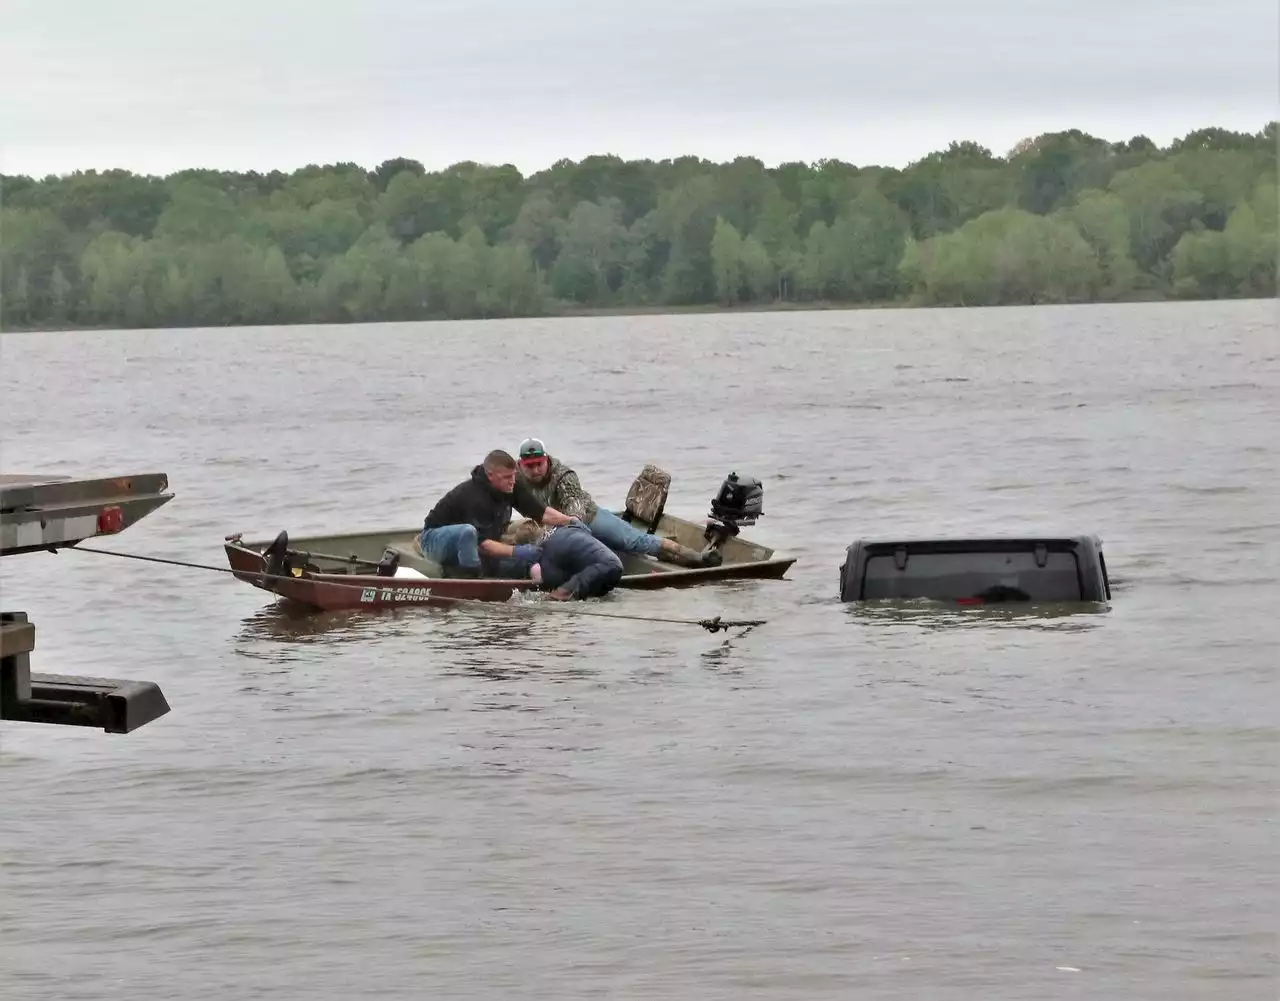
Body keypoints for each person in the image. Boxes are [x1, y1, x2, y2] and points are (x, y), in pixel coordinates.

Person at [514, 437, 720, 567]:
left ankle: (693, 556)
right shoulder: (513, 478)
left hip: (587, 518)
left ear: (546, 459)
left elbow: (575, 512)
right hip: (550, 527)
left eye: (538, 464)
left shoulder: (564, 475)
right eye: (529, 466)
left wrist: (557, 533)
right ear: (520, 464)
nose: (535, 470)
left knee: (633, 541)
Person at [418, 449, 574, 578]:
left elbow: (541, 513)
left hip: (481, 540)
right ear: (490, 475)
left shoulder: (511, 485)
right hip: (434, 540)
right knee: (468, 533)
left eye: (514, 475)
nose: (512, 480)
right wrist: (520, 551)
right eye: (507, 477)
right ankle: (468, 576)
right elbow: (484, 545)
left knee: (527, 544)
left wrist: (571, 521)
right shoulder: (475, 498)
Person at [503, 518, 624, 600]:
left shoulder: (544, 551)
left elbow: (547, 580)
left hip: (600, 568)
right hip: (614, 566)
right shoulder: (566, 528)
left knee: (552, 599)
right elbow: (584, 528)